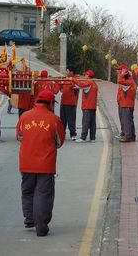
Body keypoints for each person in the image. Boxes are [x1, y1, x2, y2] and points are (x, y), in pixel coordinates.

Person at [16, 89, 65, 237]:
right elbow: (60, 141)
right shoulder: (54, 119)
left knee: (28, 191)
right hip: (45, 164)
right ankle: (41, 226)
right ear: (50, 103)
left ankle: (29, 218)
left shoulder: (24, 116)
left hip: (26, 162)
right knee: (43, 194)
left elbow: (19, 136)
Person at [74, 70, 98, 142]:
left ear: (88, 76)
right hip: (93, 106)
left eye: (85, 75)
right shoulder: (94, 84)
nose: (84, 76)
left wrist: (73, 79)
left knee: (85, 122)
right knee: (92, 123)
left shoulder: (89, 82)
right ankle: (92, 137)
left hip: (87, 106)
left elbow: (80, 85)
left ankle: (83, 137)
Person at [59, 66, 79, 140]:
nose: (66, 72)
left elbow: (77, 86)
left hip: (71, 103)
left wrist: (71, 80)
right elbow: (60, 89)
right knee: (62, 120)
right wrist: (59, 82)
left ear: (71, 72)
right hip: (63, 102)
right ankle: (62, 133)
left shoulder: (75, 79)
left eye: (67, 71)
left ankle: (73, 134)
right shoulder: (65, 79)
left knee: (71, 120)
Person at [118, 67, 137, 142]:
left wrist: (122, 74)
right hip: (129, 104)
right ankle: (132, 135)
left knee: (126, 121)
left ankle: (128, 136)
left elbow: (119, 81)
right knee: (130, 120)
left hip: (126, 104)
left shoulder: (128, 83)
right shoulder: (132, 82)